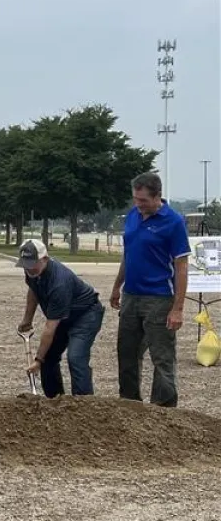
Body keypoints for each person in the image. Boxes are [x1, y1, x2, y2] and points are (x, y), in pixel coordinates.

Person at [111, 172, 190, 407]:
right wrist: (117, 286)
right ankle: (130, 403)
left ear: (158, 197)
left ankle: (163, 409)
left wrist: (178, 308)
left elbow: (182, 266)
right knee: (127, 353)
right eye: (135, 199)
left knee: (162, 356)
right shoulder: (133, 216)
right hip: (131, 296)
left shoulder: (173, 222)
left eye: (143, 200)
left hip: (159, 297)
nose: (138, 204)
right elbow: (129, 255)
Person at [16, 239, 104, 397]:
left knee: (75, 357)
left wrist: (37, 361)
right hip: (64, 316)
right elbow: (33, 290)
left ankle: (84, 404)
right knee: (49, 357)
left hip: (85, 315)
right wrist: (27, 319)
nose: (29, 268)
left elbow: (50, 328)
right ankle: (55, 401)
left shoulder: (59, 283)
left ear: (45, 259)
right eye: (25, 263)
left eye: (32, 263)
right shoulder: (31, 270)